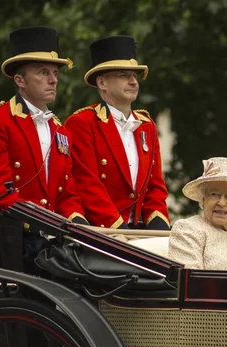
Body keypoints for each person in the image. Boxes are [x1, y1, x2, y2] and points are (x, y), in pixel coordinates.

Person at [0, 26, 87, 223]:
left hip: (46, 232)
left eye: (55, 73)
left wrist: (80, 226)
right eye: (43, 72)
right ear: (20, 80)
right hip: (3, 230)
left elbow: (66, 195)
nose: (54, 80)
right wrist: (46, 226)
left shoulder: (60, 130)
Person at [65, 35, 170, 230]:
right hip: (101, 230)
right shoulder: (82, 123)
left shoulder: (147, 125)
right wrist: (118, 231)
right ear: (102, 83)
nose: (133, 82)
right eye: (123, 75)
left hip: (139, 232)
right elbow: (87, 185)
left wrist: (160, 230)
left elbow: (155, 188)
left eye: (134, 76)